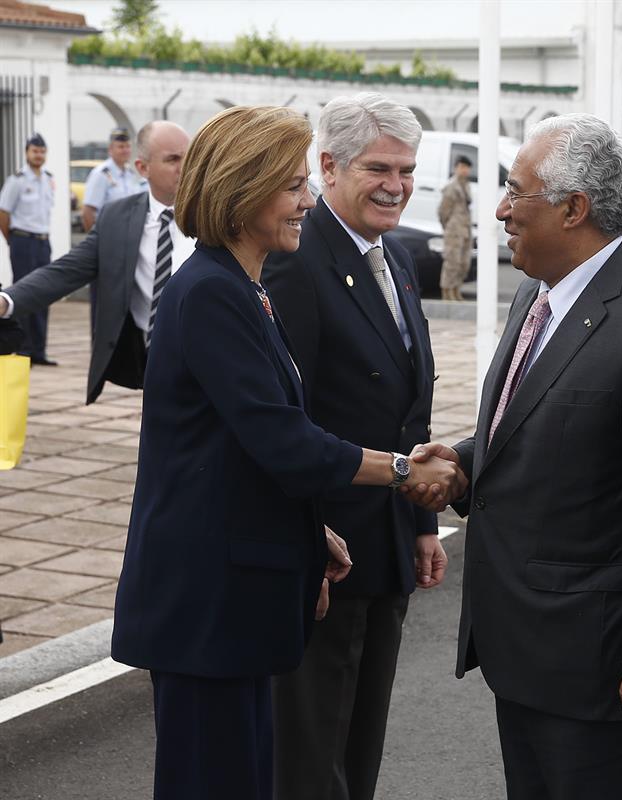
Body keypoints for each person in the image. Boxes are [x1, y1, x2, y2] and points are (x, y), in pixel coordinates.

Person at [109, 105, 462, 800]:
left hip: (237, 597)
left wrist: (309, 532)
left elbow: (249, 449)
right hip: (206, 607)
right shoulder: (212, 293)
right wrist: (400, 471)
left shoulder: (243, 289)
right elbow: (285, 442)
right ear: (241, 193)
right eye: (291, 186)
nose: (306, 200)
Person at [411, 113, 622, 800]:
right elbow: (538, 423)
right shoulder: (536, 291)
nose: (500, 209)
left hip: (596, 666)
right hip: (522, 648)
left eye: (514, 191)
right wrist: (465, 460)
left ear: (574, 209)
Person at [262, 92, 448, 800]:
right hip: (328, 553)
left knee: (360, 743)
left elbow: (407, 406)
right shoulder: (296, 258)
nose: (396, 186)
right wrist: (305, 541)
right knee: (312, 757)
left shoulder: (393, 255)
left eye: (406, 170)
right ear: (329, 165)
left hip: (388, 541)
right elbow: (287, 417)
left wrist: (424, 521)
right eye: (379, 168)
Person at [0, 122, 191, 402]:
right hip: (151, 360)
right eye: (173, 159)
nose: (186, 167)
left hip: (207, 356)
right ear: (143, 168)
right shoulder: (117, 218)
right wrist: (6, 300)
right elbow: (65, 272)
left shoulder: (216, 217)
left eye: (191, 157)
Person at [0, 133, 56, 364]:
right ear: (27, 152)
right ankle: (24, 348)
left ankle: (39, 351)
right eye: (35, 151)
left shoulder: (48, 179)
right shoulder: (18, 180)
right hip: (23, 241)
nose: (39, 155)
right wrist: (13, 240)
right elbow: (3, 213)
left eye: (42, 151)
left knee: (44, 294)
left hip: (43, 242)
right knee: (23, 295)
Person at [82, 127, 144, 232]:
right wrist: (95, 240)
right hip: (108, 234)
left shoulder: (130, 174)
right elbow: (88, 211)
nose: (125, 150)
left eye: (128, 146)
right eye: (121, 147)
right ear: (110, 150)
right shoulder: (101, 174)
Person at [437, 154, 472, 301]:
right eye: (462, 167)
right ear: (456, 168)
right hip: (454, 229)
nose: (464, 171)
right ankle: (447, 291)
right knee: (452, 262)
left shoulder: (466, 186)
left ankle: (456, 289)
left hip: (465, 229)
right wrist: (448, 227)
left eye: (467, 168)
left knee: (463, 263)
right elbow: (443, 211)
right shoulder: (451, 187)